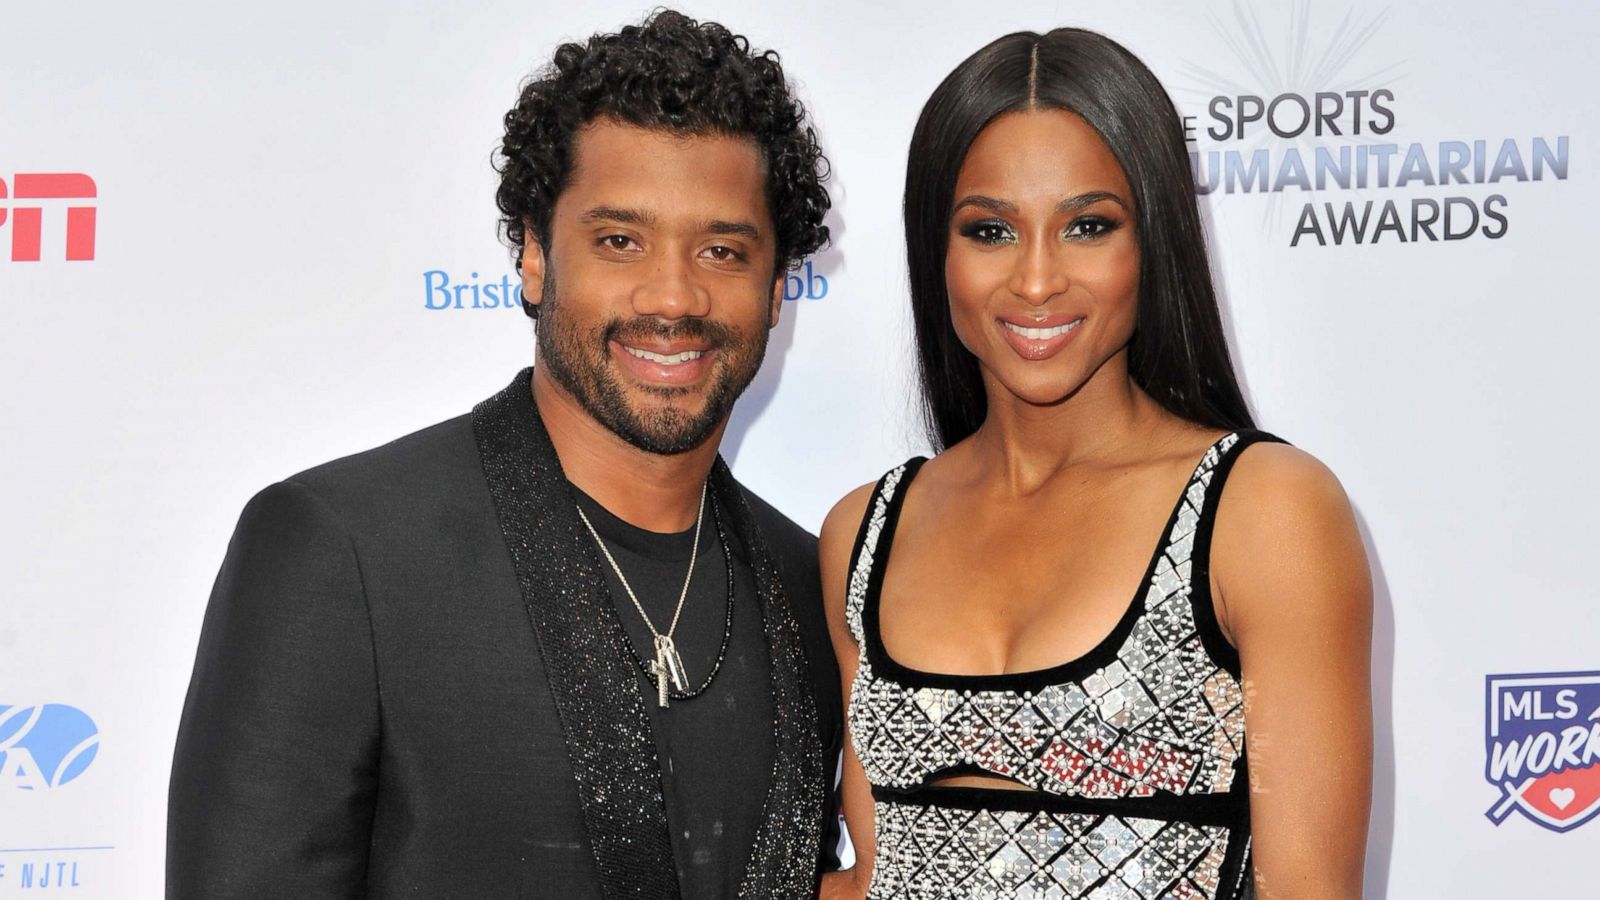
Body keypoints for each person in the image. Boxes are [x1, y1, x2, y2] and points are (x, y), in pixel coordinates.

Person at [167, 11, 842, 899]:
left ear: (775, 286)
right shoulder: (344, 552)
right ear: (532, 252)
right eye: (619, 241)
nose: (673, 296)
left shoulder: (814, 583)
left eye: (722, 249)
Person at [819, 28, 1372, 900]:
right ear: (939, 252)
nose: (1037, 281)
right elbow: (880, 873)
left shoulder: (1261, 511)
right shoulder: (864, 532)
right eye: (991, 229)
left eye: (1087, 226)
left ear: (1152, 242)